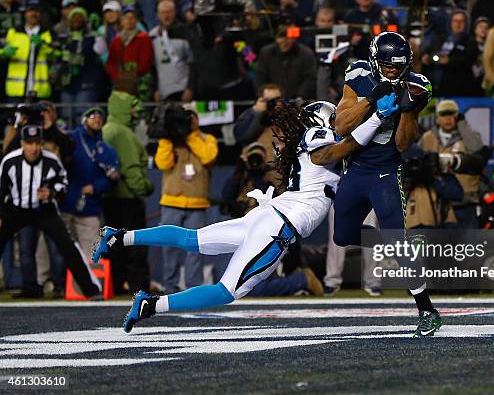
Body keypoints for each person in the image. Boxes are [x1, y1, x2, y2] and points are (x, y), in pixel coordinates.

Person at [92, 100, 402, 333]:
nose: (340, 121)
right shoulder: (320, 138)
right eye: (334, 117)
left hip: (268, 217)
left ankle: (120, 236)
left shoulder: (315, 141)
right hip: (279, 226)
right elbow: (346, 145)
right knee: (226, 291)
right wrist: (376, 115)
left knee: (192, 239)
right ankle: (151, 305)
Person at [332, 32, 442, 335]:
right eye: (387, 65)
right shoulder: (358, 74)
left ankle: (426, 309)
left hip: (385, 170)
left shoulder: (418, 85)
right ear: (374, 60)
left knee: (394, 238)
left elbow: (404, 144)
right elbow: (340, 125)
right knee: (342, 236)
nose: (392, 70)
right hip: (354, 167)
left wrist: (407, 109)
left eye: (398, 65)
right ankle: (404, 247)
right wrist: (371, 99)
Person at [0, 125, 101, 299]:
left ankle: (90, 290)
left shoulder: (52, 160)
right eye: (29, 143)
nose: (33, 148)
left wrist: (52, 192)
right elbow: (2, 190)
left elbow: (63, 185)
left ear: (42, 143)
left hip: (44, 210)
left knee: (67, 246)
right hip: (16, 210)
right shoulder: (10, 161)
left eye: (37, 143)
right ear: (22, 144)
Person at [154, 105, 218, 294]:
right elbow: (162, 163)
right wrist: (167, 138)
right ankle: (169, 287)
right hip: (171, 202)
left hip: (197, 203)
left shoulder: (208, 139)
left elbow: (208, 157)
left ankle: (193, 287)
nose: (189, 120)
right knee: (169, 247)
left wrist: (190, 135)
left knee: (194, 248)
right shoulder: (170, 140)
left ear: (197, 120)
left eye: (192, 117)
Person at [102, 90, 154, 295]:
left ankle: (115, 284)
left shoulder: (107, 129)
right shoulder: (122, 133)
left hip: (110, 198)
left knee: (114, 246)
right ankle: (138, 287)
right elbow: (131, 168)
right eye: (132, 107)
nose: (135, 112)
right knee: (136, 245)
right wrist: (145, 187)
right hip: (127, 200)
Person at [60, 107, 119, 266]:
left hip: (90, 206)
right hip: (65, 203)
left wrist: (95, 187)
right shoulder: (70, 139)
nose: (97, 119)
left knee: (93, 253)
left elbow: (113, 177)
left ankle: (93, 287)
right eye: (92, 116)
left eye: (100, 117)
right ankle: (55, 283)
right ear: (84, 119)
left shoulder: (106, 150)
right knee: (60, 250)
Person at [420, 100, 485, 229]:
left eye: (452, 114)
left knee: (468, 247)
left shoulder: (469, 137)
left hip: (466, 201)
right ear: (437, 118)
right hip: (437, 202)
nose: (448, 119)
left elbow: (477, 148)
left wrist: (462, 124)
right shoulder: (428, 138)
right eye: (444, 115)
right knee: (440, 247)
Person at [0, 0, 56, 103]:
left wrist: (43, 45)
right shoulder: (14, 32)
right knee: (15, 119)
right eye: (30, 11)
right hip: (16, 89)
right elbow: (2, 51)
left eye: (36, 11)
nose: (33, 14)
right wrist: (4, 53)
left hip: (40, 90)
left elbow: (56, 55)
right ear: (25, 13)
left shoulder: (47, 32)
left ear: (40, 14)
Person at [255, 26, 317, 99]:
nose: (285, 42)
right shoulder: (266, 52)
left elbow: (310, 77)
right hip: (271, 98)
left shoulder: (306, 53)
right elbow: (260, 76)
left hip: (299, 99)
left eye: (288, 38)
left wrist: (300, 96)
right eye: (281, 38)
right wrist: (263, 95)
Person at [105, 5, 153, 97]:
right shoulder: (117, 41)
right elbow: (110, 63)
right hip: (121, 82)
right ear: (121, 20)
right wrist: (118, 76)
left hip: (140, 81)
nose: (129, 20)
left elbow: (146, 61)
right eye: (126, 17)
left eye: (132, 17)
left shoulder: (144, 38)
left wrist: (131, 75)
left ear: (136, 20)